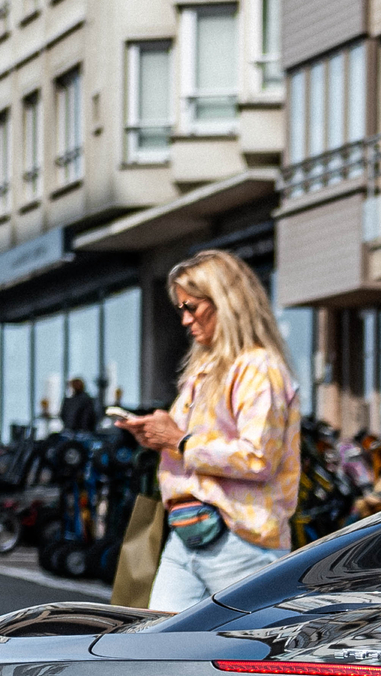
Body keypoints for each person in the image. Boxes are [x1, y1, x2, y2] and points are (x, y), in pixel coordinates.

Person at [122, 249, 303, 609]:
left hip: (240, 540)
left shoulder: (257, 368)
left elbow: (258, 457)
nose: (185, 320)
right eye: (181, 309)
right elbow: (193, 447)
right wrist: (156, 436)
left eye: (193, 307)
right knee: (153, 651)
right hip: (189, 531)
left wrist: (178, 439)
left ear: (226, 302)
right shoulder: (202, 371)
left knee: (238, 657)